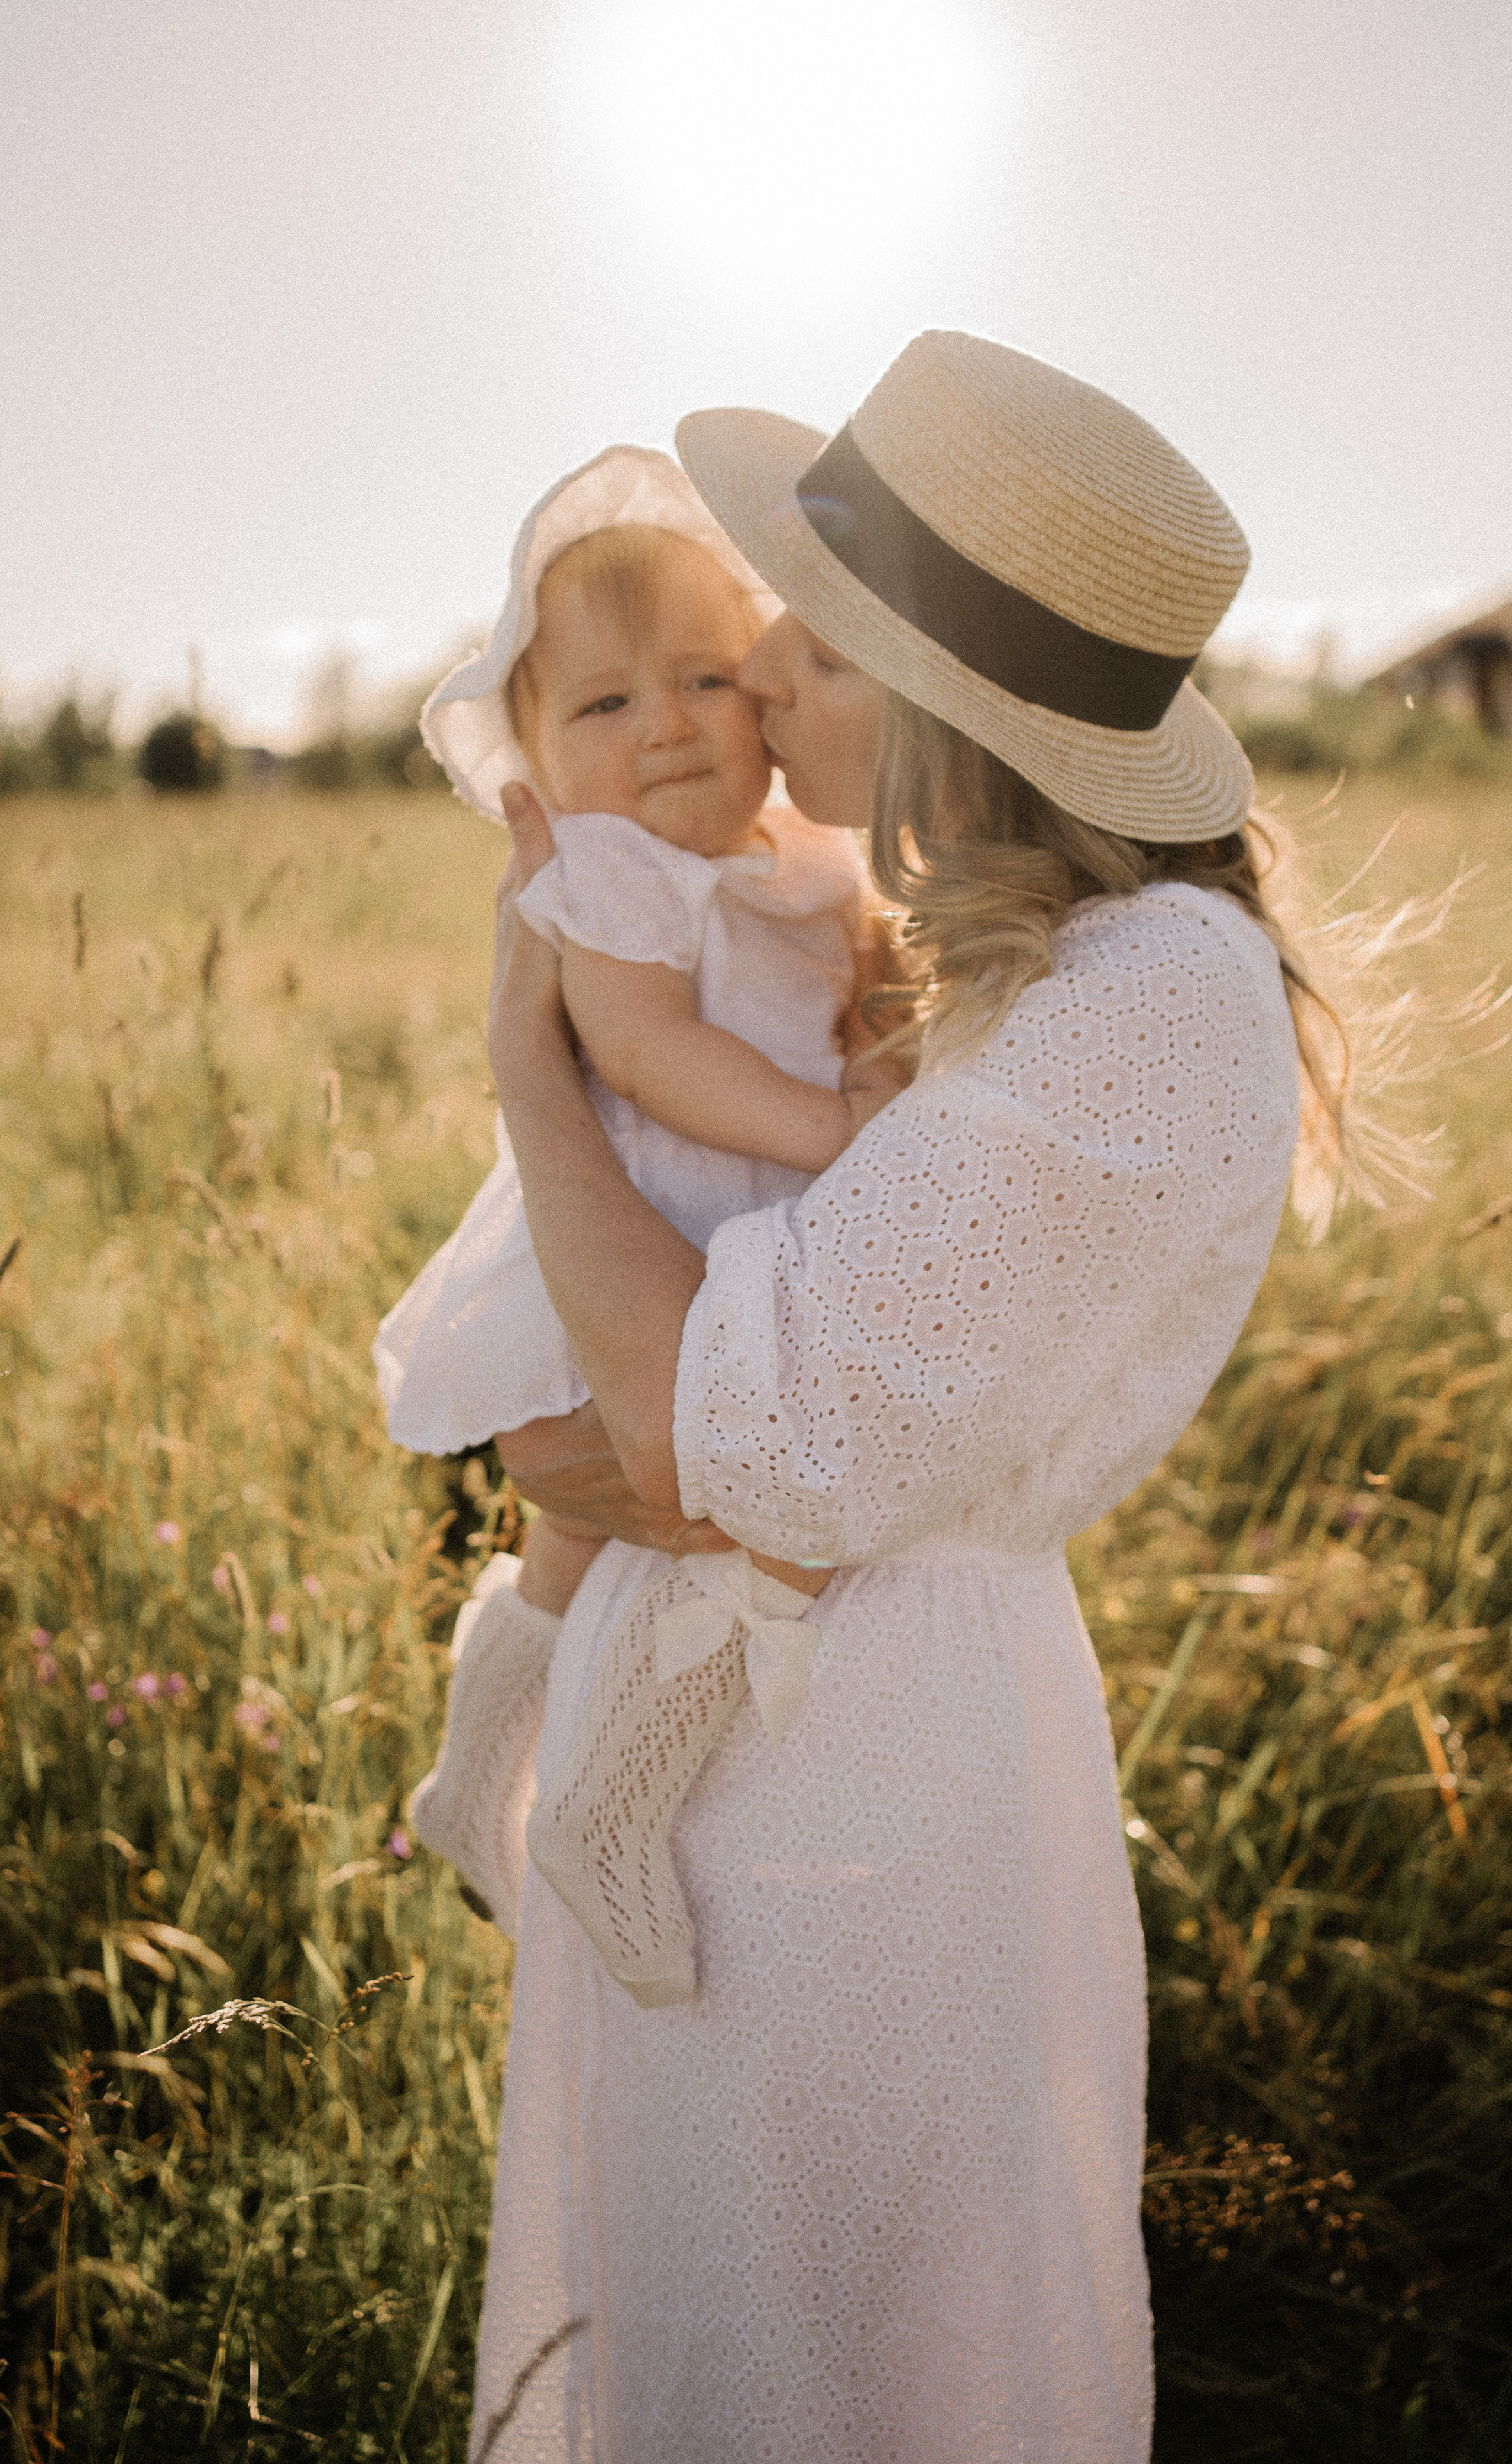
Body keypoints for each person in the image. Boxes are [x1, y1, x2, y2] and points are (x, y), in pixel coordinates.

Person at [467, 331, 1344, 2463]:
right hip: (792, 1727)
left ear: (942, 705)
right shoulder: (1032, 957)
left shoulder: (1140, 1010)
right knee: (723, 2315)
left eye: (810, 658)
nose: (755, 698)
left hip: (854, 1776)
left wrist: (528, 1051)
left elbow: (700, 1441)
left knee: (837, 2342)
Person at [373, 449, 902, 1939]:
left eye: (703, 678)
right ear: (533, 761)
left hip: (747, 1248)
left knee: (691, 1537)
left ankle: (581, 1800)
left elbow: (860, 1000)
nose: (663, 725)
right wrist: (826, 1128)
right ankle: (505, 1791)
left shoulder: (813, 860)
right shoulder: (603, 876)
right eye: (605, 704)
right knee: (612, 1527)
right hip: (636, 1238)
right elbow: (643, 1046)